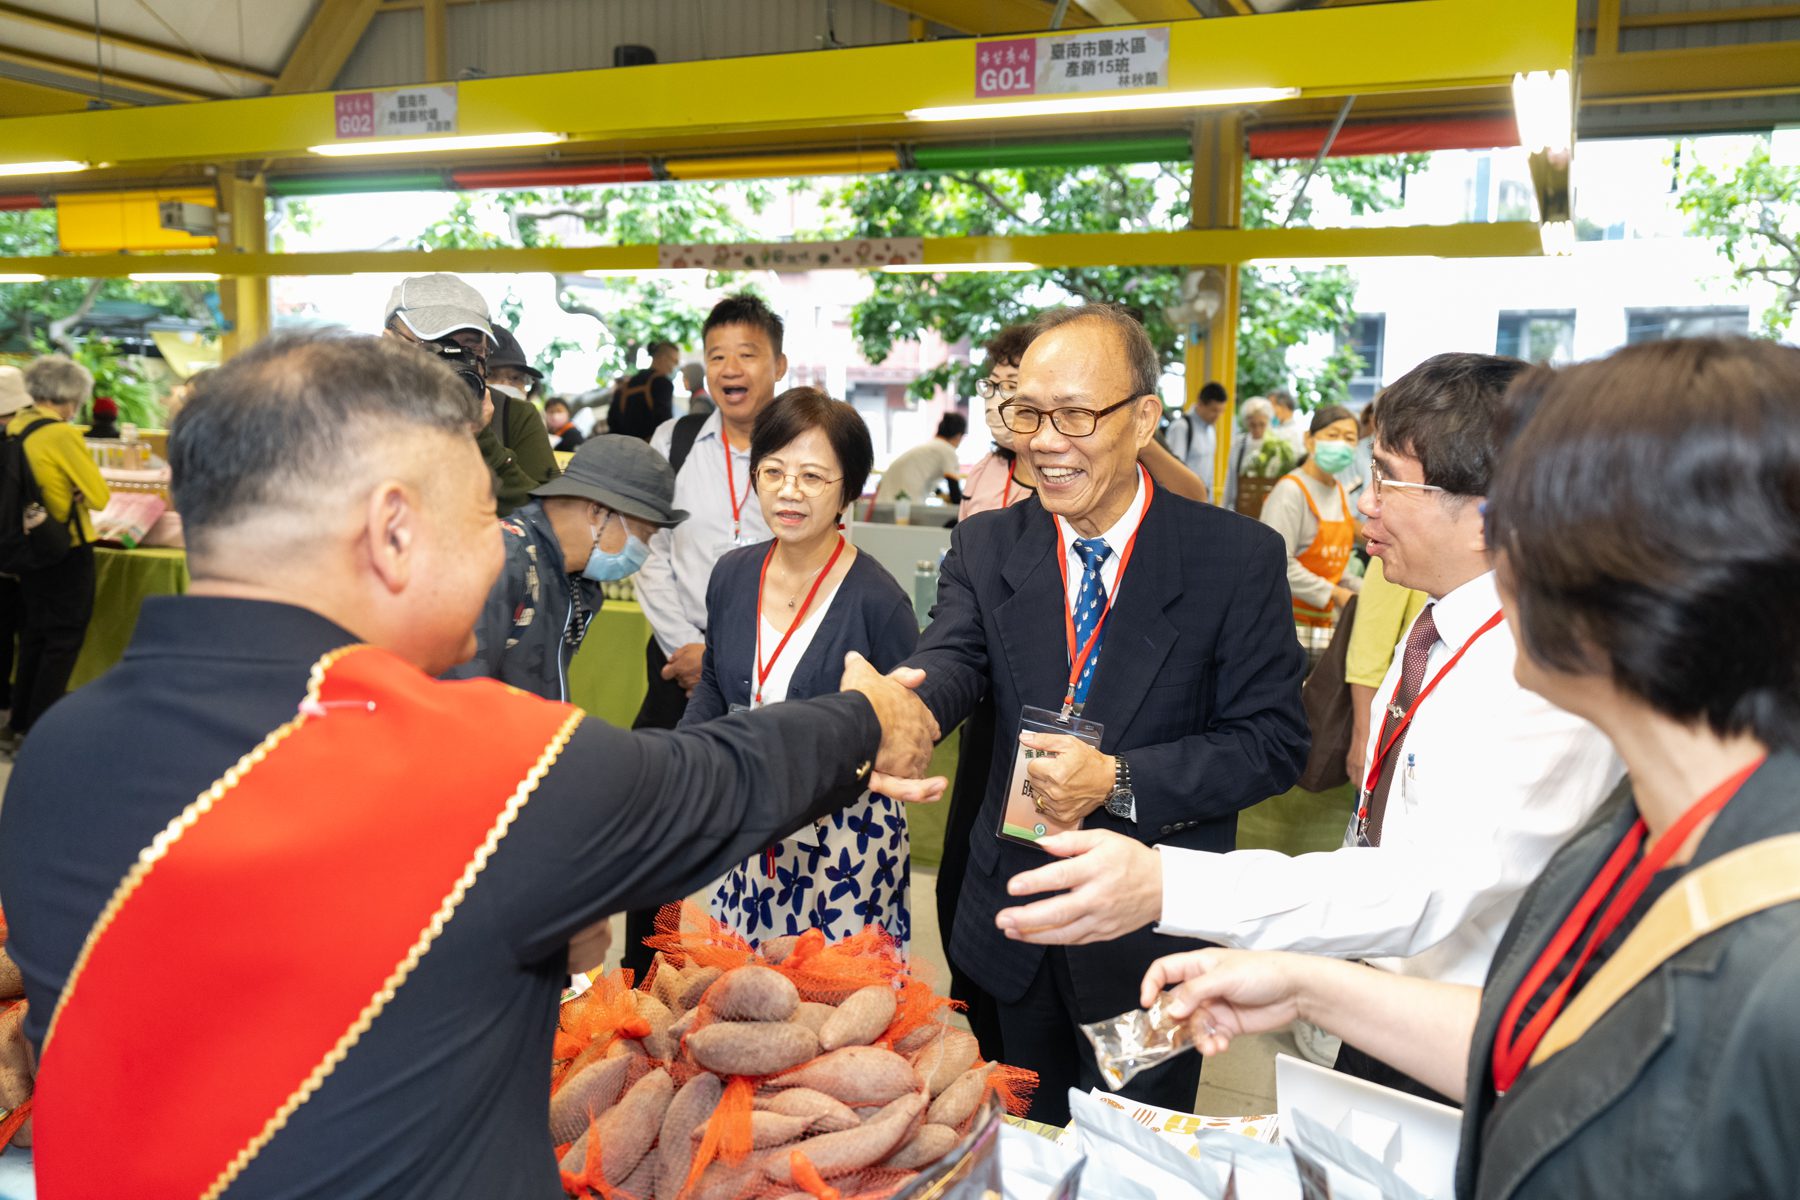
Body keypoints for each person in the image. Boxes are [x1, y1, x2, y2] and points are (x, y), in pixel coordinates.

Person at [0, 330, 940, 1199]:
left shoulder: (57, 752)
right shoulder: (479, 765)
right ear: (394, 530)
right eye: (486, 514)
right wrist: (870, 715)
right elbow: (718, 779)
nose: (501, 550)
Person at [1139, 338, 1800, 1198]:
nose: (1505, 550)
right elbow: (1547, 1043)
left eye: (1531, 517)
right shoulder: (1645, 826)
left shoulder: (1770, 946)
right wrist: (1307, 985)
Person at [994, 351, 1623, 1098]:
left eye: (1389, 478)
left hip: (1475, 1036)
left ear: (1490, 514)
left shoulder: (1543, 673)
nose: (1365, 502)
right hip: (1390, 997)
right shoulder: (1442, 623)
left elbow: (1426, 887)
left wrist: (1169, 884)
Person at [883, 304, 1309, 1124]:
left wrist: (1116, 779)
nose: (1045, 440)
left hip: (1149, 958)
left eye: (1075, 414)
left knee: (1133, 1158)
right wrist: (899, 710)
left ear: (1144, 417)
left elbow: (1272, 742)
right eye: (1027, 414)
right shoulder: (989, 545)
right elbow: (954, 661)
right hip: (1009, 929)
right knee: (1012, 1147)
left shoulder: (1233, 559)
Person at [683, 387, 924, 950]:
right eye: (773, 472)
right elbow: (717, 681)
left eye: (813, 477)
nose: (789, 492)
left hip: (844, 842)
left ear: (847, 492)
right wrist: (686, 765)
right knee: (745, 1006)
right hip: (753, 823)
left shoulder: (878, 601)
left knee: (834, 1010)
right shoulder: (732, 574)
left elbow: (910, 728)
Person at [626, 293, 787, 974]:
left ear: (778, 363)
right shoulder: (676, 441)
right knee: (654, 835)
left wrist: (730, 659)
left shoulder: (802, 444)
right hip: (677, 666)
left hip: (773, 673)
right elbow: (649, 553)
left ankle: (760, 990)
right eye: (717, 355)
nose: (730, 368)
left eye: (747, 353)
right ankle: (645, 983)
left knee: (769, 841)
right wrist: (684, 653)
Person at [449, 435, 683, 702]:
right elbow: (457, 694)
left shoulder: (572, 578)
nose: (644, 549)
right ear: (598, 512)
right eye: (644, 535)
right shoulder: (503, 561)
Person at [4, 355, 110, 752]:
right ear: (71, 397)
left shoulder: (15, 424)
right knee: (63, 639)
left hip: (26, 547)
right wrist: (79, 490)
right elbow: (99, 496)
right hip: (65, 549)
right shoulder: (60, 434)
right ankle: (40, 733)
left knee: (34, 635)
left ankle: (18, 722)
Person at [382, 274, 555, 516]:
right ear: (389, 344)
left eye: (470, 348)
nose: (451, 358)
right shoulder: (349, 414)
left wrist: (481, 438)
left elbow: (549, 526)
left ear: (486, 350)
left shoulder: (513, 416)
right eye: (433, 344)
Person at [1260, 404, 1362, 629]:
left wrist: (1361, 588)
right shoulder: (1290, 490)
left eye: (1349, 438)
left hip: (1327, 622)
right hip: (1288, 620)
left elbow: (1333, 568)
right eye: (1333, 435)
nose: (1341, 444)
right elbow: (1278, 564)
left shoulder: (1340, 492)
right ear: (1309, 440)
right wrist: (1333, 593)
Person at [960, 325, 1037, 521]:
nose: (996, 398)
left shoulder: (1068, 479)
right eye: (993, 384)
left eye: (1011, 386)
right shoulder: (983, 471)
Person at [875, 412, 965, 506]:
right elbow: (954, 491)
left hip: (884, 501)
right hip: (903, 505)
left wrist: (941, 494)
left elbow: (924, 477)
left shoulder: (930, 447)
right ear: (958, 435)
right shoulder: (947, 450)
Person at [1163, 381, 1228, 499]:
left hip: (1203, 501)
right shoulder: (1181, 428)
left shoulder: (1211, 430)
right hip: (1184, 501)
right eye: (1214, 410)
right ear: (1200, 403)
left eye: (1221, 411)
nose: (1217, 416)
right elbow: (1172, 470)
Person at [609, 340, 679, 442]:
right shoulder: (663, 384)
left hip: (623, 449)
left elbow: (612, 421)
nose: (676, 366)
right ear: (664, 359)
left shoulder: (628, 384)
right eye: (675, 361)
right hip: (650, 451)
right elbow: (666, 424)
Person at [1268, 387, 1308, 457]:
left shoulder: (1297, 432)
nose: (1268, 409)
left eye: (1271, 405)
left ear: (1283, 406)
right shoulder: (1274, 428)